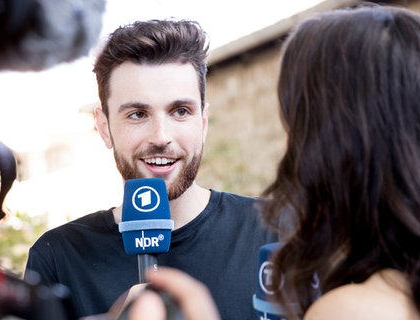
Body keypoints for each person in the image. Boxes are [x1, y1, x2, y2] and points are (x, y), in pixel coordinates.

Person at [124, 3, 420, 320]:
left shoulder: (354, 310)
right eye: (138, 114)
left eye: (295, 124)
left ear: (337, 140)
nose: (289, 146)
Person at [24, 18, 278, 319]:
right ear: (104, 128)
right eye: (137, 114)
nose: (161, 137)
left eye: (180, 111)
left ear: (203, 122)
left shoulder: (275, 232)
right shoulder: (57, 257)